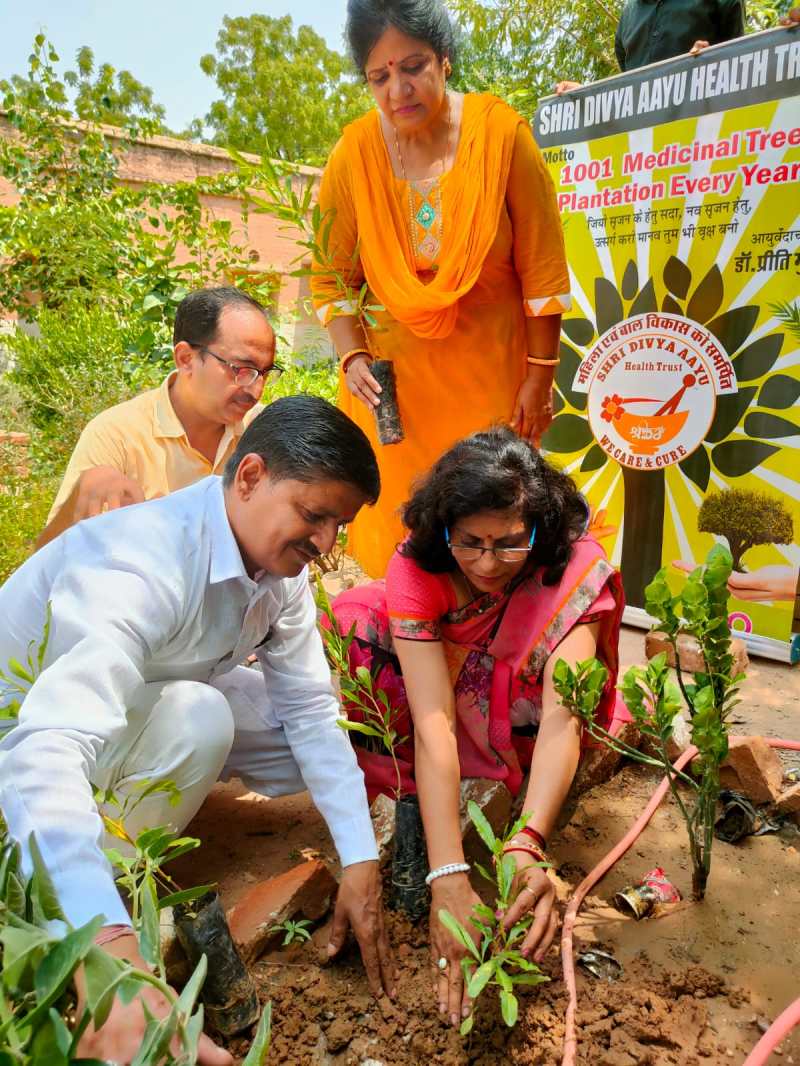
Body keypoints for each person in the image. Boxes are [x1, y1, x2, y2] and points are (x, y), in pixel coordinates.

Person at [0, 396, 394, 1065]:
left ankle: (128, 808)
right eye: (314, 515)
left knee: (311, 731)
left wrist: (359, 860)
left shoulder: (279, 570)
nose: (326, 544)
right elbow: (43, 751)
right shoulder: (139, 563)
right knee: (198, 715)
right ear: (249, 477)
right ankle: (91, 888)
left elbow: (307, 712)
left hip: (145, 690)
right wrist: (108, 959)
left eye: (340, 526)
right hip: (23, 735)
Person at [328, 427, 627, 1028]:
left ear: (539, 530)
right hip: (445, 706)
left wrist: (527, 840)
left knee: (535, 692)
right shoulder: (417, 566)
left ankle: (509, 792)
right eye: (470, 543)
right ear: (443, 529)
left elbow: (564, 715)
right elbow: (433, 719)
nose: (489, 564)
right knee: (358, 625)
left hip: (526, 715)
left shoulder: (568, 567)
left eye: (509, 544)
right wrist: (449, 876)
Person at [311, 0, 570, 578]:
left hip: (492, 383)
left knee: (491, 511)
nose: (398, 89)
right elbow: (330, 275)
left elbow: (544, 273)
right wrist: (351, 352)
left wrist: (540, 378)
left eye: (413, 66)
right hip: (395, 395)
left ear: (445, 60)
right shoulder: (354, 155)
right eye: (379, 77)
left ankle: (492, 650)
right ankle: (407, 642)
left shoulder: (501, 136)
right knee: (403, 532)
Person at [37, 286, 279, 548]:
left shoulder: (263, 432)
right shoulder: (117, 434)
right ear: (186, 358)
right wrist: (82, 492)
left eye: (264, 372)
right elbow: (46, 558)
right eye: (242, 369)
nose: (256, 389)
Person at [555, 0, 745, 93]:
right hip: (644, 155)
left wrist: (712, 58)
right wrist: (585, 95)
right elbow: (629, 90)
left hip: (704, 144)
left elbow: (742, 65)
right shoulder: (628, 14)